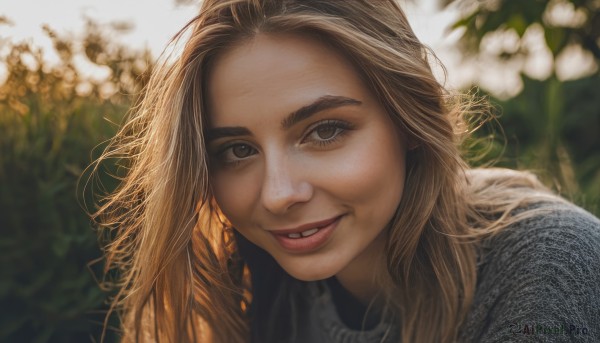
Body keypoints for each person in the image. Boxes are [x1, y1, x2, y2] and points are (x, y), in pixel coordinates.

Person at [91, 0, 600, 342]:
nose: (277, 195)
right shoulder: (250, 280)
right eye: (237, 150)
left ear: (409, 121)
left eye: (326, 130)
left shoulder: (552, 268)